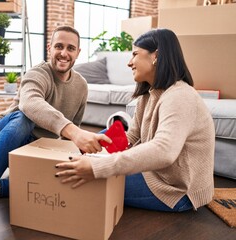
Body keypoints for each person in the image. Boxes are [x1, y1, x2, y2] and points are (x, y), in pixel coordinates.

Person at [0, 25, 111, 234]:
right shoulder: (37, 73)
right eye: (58, 46)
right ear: (49, 48)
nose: (64, 53)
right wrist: (74, 132)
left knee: (65, 173)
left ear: (78, 53)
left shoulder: (81, 85)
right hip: (7, 133)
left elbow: (71, 132)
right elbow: (30, 104)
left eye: (70, 48)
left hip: (40, 146)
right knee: (25, 118)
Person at [55, 28, 215, 212]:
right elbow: (131, 137)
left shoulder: (180, 96)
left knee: (77, 180)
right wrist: (90, 144)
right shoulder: (148, 96)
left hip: (176, 190)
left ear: (156, 56)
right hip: (156, 174)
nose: (130, 63)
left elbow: (164, 151)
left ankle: (18, 185)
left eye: (135, 54)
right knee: (95, 142)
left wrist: (98, 166)